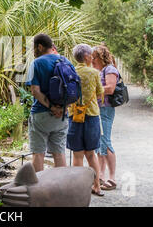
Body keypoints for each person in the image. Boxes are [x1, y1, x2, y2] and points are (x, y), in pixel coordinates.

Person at [25, 34, 71, 172]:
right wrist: (61, 108)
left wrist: (51, 107)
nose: (33, 52)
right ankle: (62, 189)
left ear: (39, 46)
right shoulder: (66, 61)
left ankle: (40, 190)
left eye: (34, 48)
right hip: (62, 116)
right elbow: (73, 90)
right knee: (59, 153)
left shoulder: (36, 63)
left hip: (41, 114)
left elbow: (35, 91)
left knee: (38, 153)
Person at [67, 44, 105, 196]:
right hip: (91, 116)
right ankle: (96, 186)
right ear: (87, 57)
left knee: (77, 154)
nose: (92, 58)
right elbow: (100, 93)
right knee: (91, 154)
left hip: (74, 116)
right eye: (91, 55)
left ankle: (77, 189)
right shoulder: (94, 73)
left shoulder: (70, 72)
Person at [92, 45, 119, 191]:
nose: (92, 60)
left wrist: (92, 90)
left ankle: (112, 178)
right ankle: (101, 176)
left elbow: (110, 88)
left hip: (105, 109)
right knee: (99, 143)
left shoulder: (110, 69)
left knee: (106, 141)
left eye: (94, 57)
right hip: (98, 109)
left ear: (101, 57)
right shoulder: (99, 71)